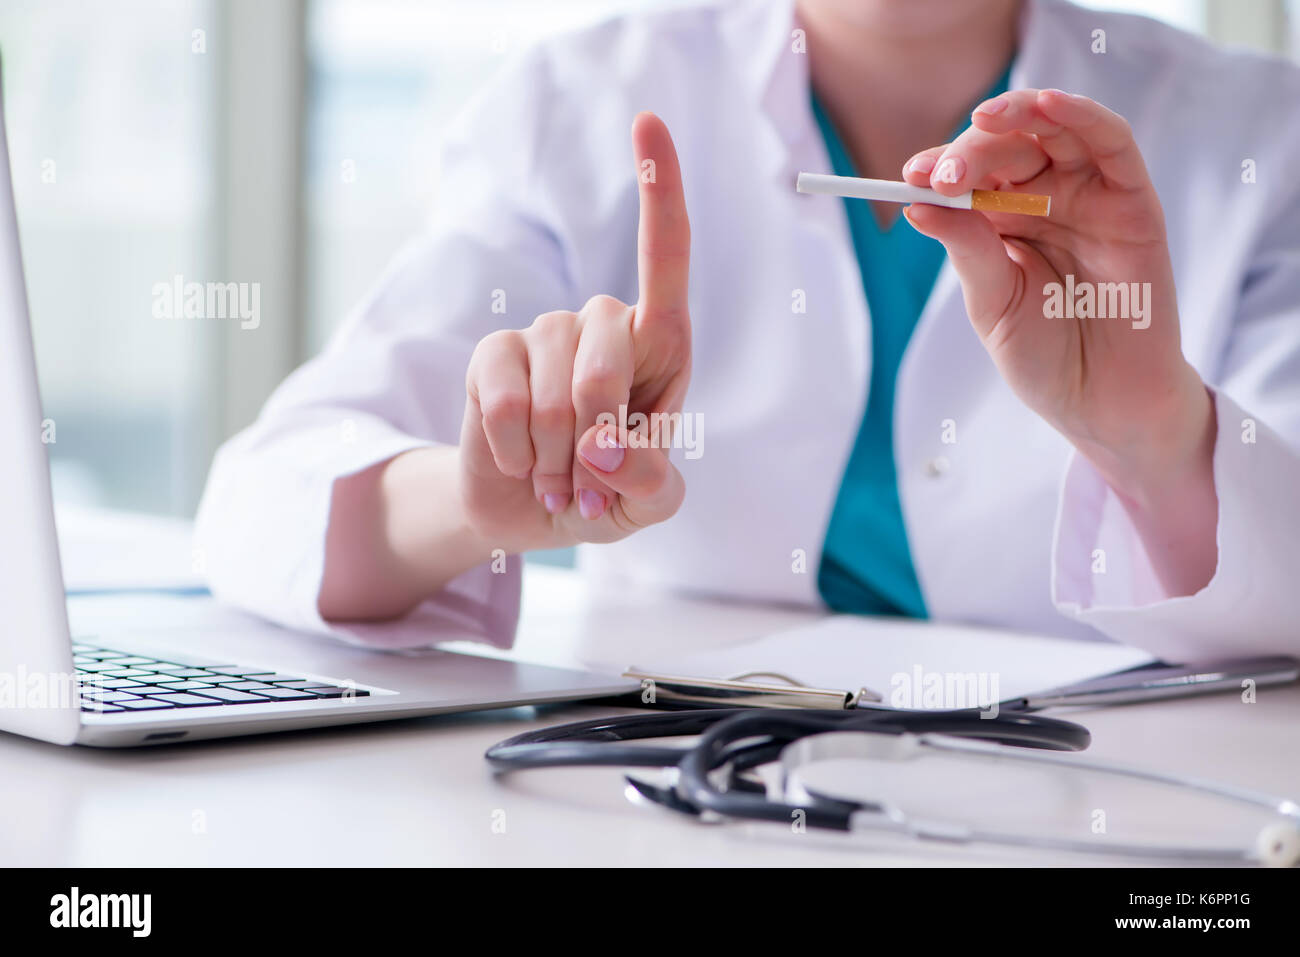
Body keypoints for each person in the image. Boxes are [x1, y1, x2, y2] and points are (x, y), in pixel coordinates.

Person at [195, 0, 1300, 662]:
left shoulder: (1261, 137)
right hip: (666, 811)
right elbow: (266, 500)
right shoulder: (581, 106)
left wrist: (1154, 435)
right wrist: (473, 500)